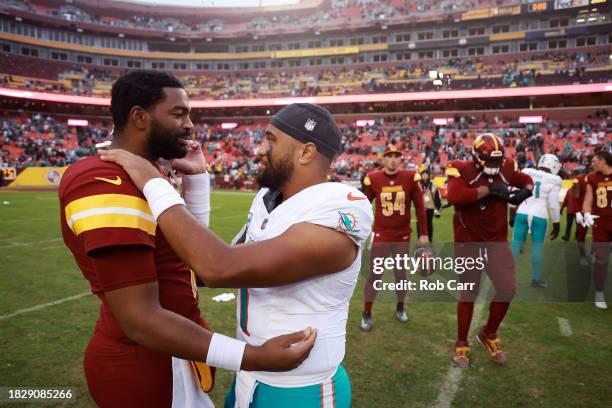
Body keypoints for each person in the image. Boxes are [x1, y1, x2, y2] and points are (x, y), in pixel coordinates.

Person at [59, 71, 315, 408]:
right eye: (179, 114)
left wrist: (196, 180)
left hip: (173, 348)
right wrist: (253, 357)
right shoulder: (103, 180)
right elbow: (140, 319)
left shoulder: (147, 172)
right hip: (142, 362)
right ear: (139, 117)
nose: (191, 124)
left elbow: (186, 258)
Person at [99, 102, 373, 407]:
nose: (258, 150)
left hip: (301, 390)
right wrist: (198, 179)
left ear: (306, 153)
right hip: (249, 379)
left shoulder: (340, 207)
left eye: (270, 140)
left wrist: (151, 180)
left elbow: (219, 267)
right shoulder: (268, 199)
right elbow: (201, 266)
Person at [445, 133, 533, 367]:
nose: (495, 166)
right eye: (490, 162)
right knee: (468, 294)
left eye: (497, 161)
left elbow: (526, 179)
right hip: (468, 241)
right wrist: (491, 189)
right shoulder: (459, 168)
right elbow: (454, 196)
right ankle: (461, 343)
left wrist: (526, 190)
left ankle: (489, 333)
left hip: (496, 241)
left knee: (508, 289)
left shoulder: (507, 165)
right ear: (476, 157)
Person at [360, 144, 429, 331]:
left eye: (396, 156)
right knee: (375, 274)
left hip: (402, 236)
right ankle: (367, 312)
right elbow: (364, 206)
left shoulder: (410, 178)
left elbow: (420, 208)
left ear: (400, 158)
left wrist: (423, 233)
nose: (393, 159)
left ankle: (400, 307)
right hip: (381, 234)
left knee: (401, 275)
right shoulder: (373, 178)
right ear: (383, 159)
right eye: (389, 156)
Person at [510, 154, 562, 288]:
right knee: (537, 247)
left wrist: (511, 212)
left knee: (515, 245)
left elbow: (514, 192)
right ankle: (536, 279)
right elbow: (554, 205)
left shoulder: (527, 171)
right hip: (540, 214)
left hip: (522, 211)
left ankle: (505, 277)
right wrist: (556, 223)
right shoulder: (555, 179)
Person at [579, 150, 612, 310]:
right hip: (601, 224)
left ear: (603, 161)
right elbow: (588, 199)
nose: (592, 164)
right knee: (601, 260)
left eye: (594, 161)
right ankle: (599, 292)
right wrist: (586, 214)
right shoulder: (591, 178)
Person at [417, 167, 442, 242]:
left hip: (430, 208)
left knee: (429, 224)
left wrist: (438, 207)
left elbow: (437, 196)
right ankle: (420, 240)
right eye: (423, 174)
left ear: (428, 176)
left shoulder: (433, 185)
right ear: (421, 176)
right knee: (420, 224)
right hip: (420, 208)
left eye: (426, 174)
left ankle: (430, 240)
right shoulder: (418, 185)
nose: (424, 176)